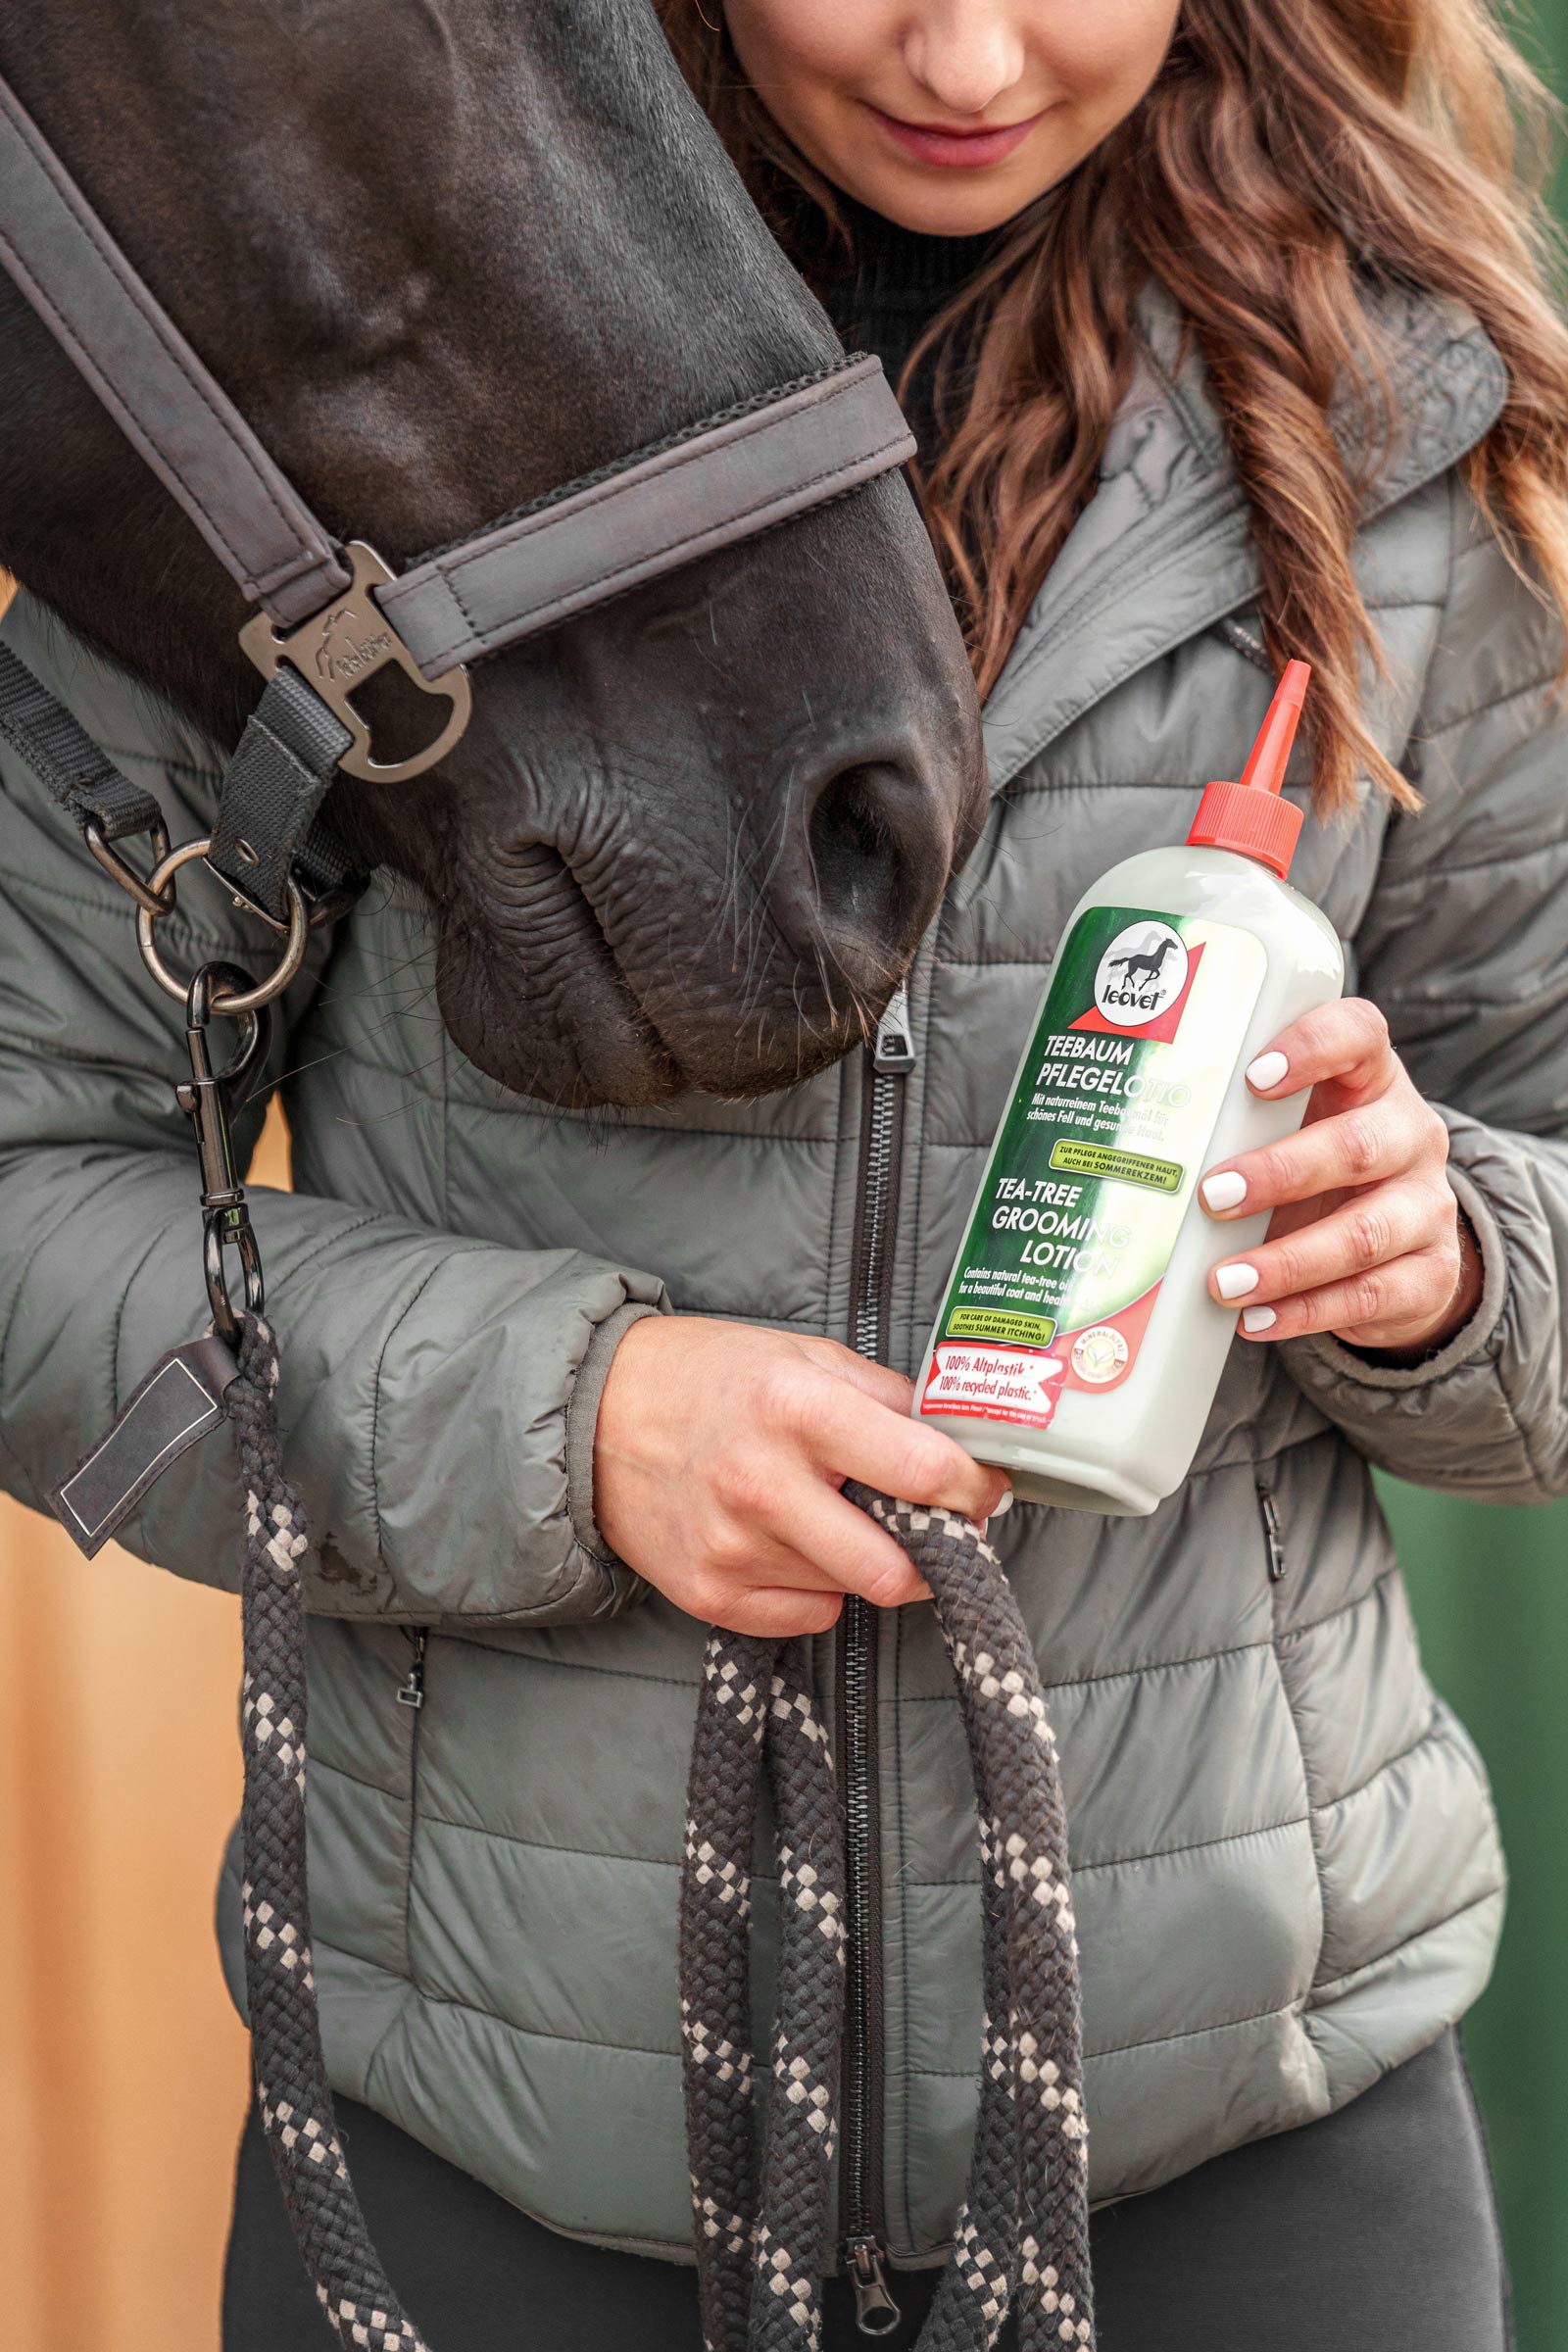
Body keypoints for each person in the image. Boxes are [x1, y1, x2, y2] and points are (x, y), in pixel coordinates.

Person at [3, 0, 1565, 2343]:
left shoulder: (1397, 443)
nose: (962, 48)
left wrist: (1443, 1264)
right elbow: (33, 1191)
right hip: (497, 2177)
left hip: (1246, 2166)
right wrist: (575, 1424)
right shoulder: (342, 403)